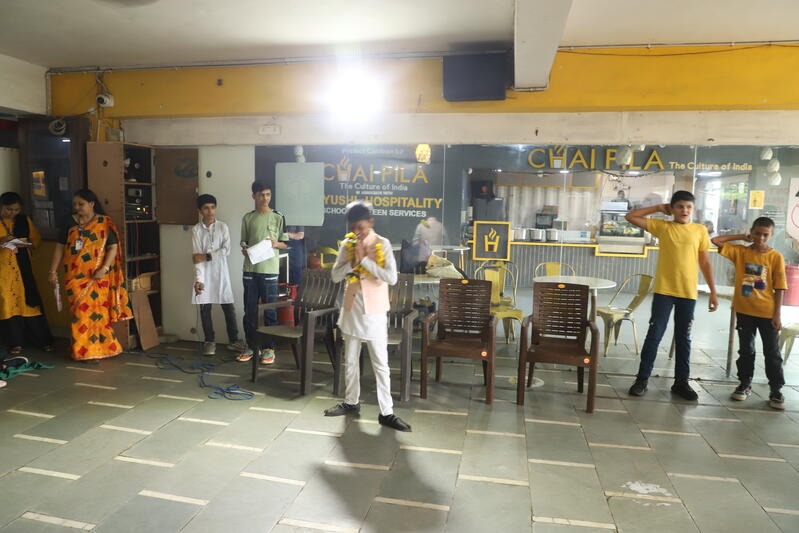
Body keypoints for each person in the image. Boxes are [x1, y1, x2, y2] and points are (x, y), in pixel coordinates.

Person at [324, 202, 411, 432]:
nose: (357, 232)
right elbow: (335, 276)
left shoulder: (382, 244)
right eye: (353, 228)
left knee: (380, 363)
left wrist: (364, 261)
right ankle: (351, 401)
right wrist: (351, 263)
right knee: (351, 361)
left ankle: (387, 412)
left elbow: (391, 278)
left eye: (361, 227)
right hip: (351, 308)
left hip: (374, 311)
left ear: (371, 223)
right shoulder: (347, 244)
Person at [625, 190, 719, 400]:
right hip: (664, 291)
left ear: (693, 209)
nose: (684, 210)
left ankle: (681, 382)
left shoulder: (700, 230)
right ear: (672, 208)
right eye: (680, 206)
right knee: (655, 334)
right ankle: (642, 379)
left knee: (684, 337)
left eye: (688, 207)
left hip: (688, 293)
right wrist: (659, 208)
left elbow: (705, 262)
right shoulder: (663, 227)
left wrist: (713, 291)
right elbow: (631, 216)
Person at [711, 218, 787, 410]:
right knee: (746, 350)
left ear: (771, 235)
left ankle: (776, 389)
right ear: (751, 232)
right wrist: (741, 237)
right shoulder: (741, 252)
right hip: (744, 311)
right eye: (757, 233)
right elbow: (716, 241)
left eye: (765, 235)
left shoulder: (776, 257)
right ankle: (744, 383)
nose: (760, 238)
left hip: (767, 313)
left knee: (772, 352)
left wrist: (777, 315)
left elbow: (780, 287)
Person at [48, 189, 132, 361]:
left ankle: (103, 348)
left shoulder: (103, 223)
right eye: (75, 204)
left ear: (92, 204)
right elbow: (59, 247)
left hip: (98, 276)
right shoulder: (68, 222)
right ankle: (83, 351)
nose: (77, 207)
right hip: (74, 275)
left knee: (99, 313)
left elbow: (113, 247)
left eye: (81, 204)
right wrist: (52, 271)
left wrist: (104, 269)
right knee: (80, 312)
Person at [237, 181, 288, 364]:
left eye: (267, 194)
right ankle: (251, 347)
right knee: (249, 310)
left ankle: (269, 349)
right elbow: (243, 242)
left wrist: (275, 243)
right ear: (254, 196)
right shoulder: (248, 218)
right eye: (261, 195)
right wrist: (245, 249)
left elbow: (285, 243)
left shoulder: (278, 217)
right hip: (250, 270)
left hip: (269, 271)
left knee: (270, 310)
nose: (265, 198)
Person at [0, 192, 53, 367]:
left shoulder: (24, 220)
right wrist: (3, 240)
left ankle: (42, 340)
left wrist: (24, 242)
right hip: (3, 271)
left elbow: (36, 240)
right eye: (9, 209)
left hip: (22, 268)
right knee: (7, 305)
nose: (12, 213)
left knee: (29, 303)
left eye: (16, 210)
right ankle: (14, 343)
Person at [191, 194, 247, 356]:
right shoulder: (196, 230)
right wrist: (198, 280)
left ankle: (234, 340)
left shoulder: (223, 227)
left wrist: (207, 256)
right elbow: (196, 257)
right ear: (200, 211)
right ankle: (209, 341)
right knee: (205, 306)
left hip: (221, 273)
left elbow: (226, 250)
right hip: (204, 273)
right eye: (206, 208)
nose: (210, 211)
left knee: (228, 306)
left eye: (212, 207)